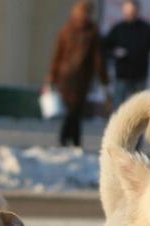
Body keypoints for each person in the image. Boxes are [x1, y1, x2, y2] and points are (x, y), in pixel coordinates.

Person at [46, 1, 110, 148]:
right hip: (69, 77)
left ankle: (71, 140)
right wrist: (51, 74)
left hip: (78, 78)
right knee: (73, 110)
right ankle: (68, 139)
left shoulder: (90, 32)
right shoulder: (69, 30)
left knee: (75, 110)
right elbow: (58, 54)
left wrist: (103, 78)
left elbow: (97, 58)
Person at [103, 0, 150, 107]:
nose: (130, 14)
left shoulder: (146, 29)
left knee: (138, 108)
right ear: (124, 11)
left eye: (133, 11)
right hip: (122, 77)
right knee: (119, 107)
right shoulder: (118, 29)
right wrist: (114, 54)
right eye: (128, 12)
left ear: (137, 11)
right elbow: (105, 48)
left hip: (140, 77)